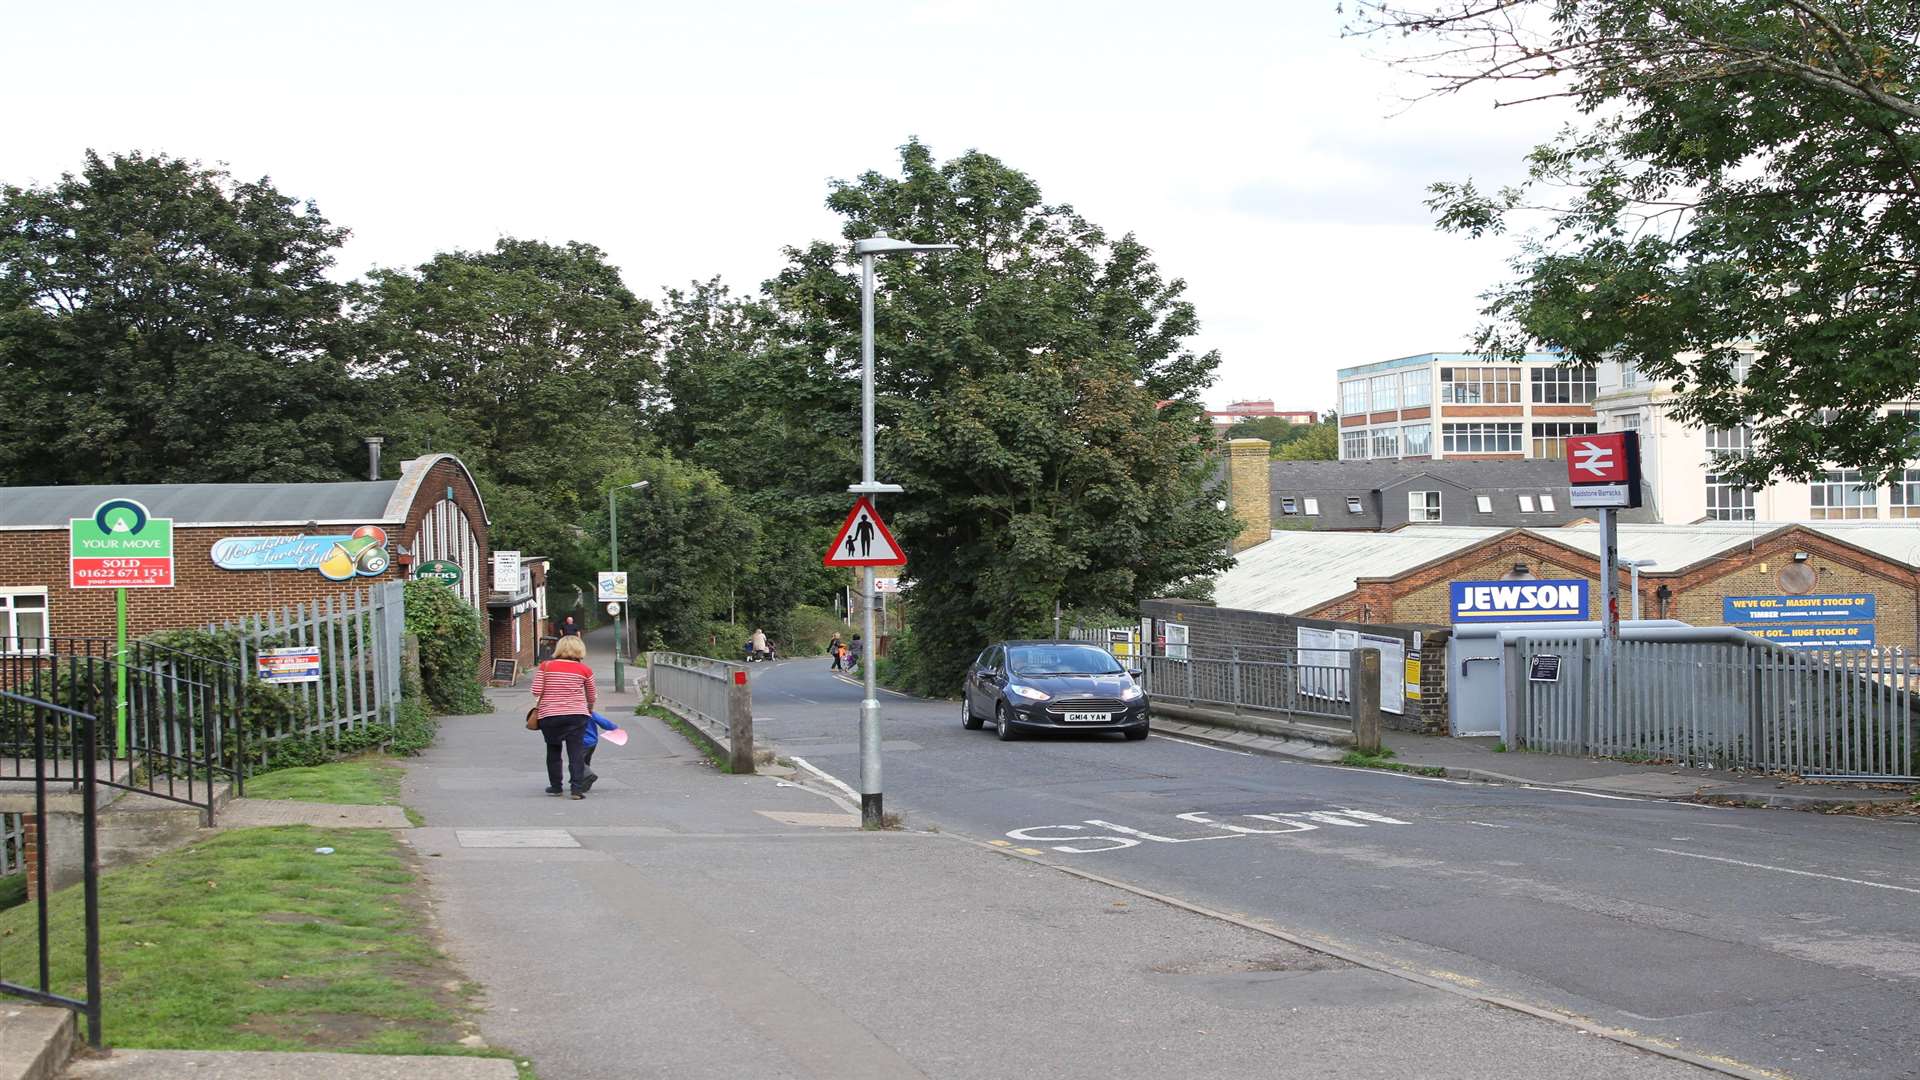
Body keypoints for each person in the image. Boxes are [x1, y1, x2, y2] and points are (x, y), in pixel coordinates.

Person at [530, 635, 597, 799]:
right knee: (575, 752)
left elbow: (536, 691)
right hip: (577, 715)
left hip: (550, 715)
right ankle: (576, 790)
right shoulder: (585, 670)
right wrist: (588, 709)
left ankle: (556, 787)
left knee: (553, 750)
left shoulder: (546, 666)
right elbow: (592, 695)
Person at [581, 710, 620, 786]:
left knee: (577, 762)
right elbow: (603, 722)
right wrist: (614, 727)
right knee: (586, 761)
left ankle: (588, 775)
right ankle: (584, 782)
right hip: (592, 742)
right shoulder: (590, 712)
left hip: (581, 742)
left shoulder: (572, 713)